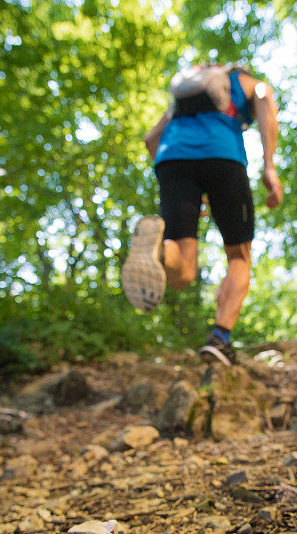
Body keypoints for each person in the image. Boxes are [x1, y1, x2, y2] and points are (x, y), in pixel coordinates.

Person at [121, 62, 282, 366]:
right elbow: (264, 96)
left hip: (172, 160)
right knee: (239, 255)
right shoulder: (237, 79)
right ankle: (220, 338)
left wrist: (184, 186)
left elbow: (150, 139)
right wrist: (269, 165)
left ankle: (158, 251)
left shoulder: (183, 97)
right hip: (222, 156)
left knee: (182, 274)